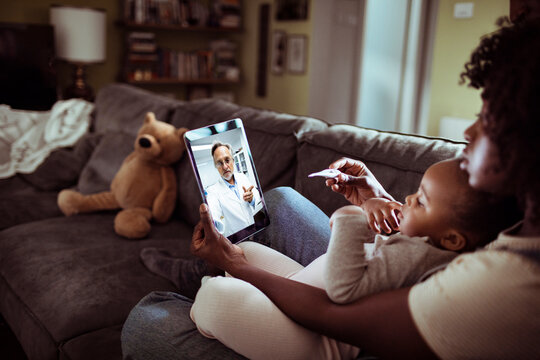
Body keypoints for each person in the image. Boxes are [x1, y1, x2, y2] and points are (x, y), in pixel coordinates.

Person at [121, 10, 540, 360]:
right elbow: (434, 246)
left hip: (341, 331)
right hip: (359, 286)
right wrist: (379, 199)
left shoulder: (510, 287)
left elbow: (335, 313)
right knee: (281, 201)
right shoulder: (509, 214)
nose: (470, 130)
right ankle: (210, 273)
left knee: (147, 320)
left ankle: (209, 286)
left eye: (490, 118)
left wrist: (238, 268)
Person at [186, 158, 520, 360]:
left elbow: (343, 289)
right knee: (253, 248)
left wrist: (353, 216)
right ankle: (212, 276)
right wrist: (378, 203)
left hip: (319, 337)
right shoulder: (434, 245)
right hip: (311, 286)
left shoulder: (423, 260)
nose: (408, 198)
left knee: (214, 296)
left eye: (421, 201)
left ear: (451, 240)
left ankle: (202, 291)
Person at [206, 141, 260, 237]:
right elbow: (213, 213)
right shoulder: (213, 191)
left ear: (233, 160)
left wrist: (252, 199)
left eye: (227, 160)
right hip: (238, 239)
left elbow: (256, 196)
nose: (225, 166)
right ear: (216, 167)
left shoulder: (242, 177)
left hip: (255, 229)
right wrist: (211, 221)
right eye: (219, 163)